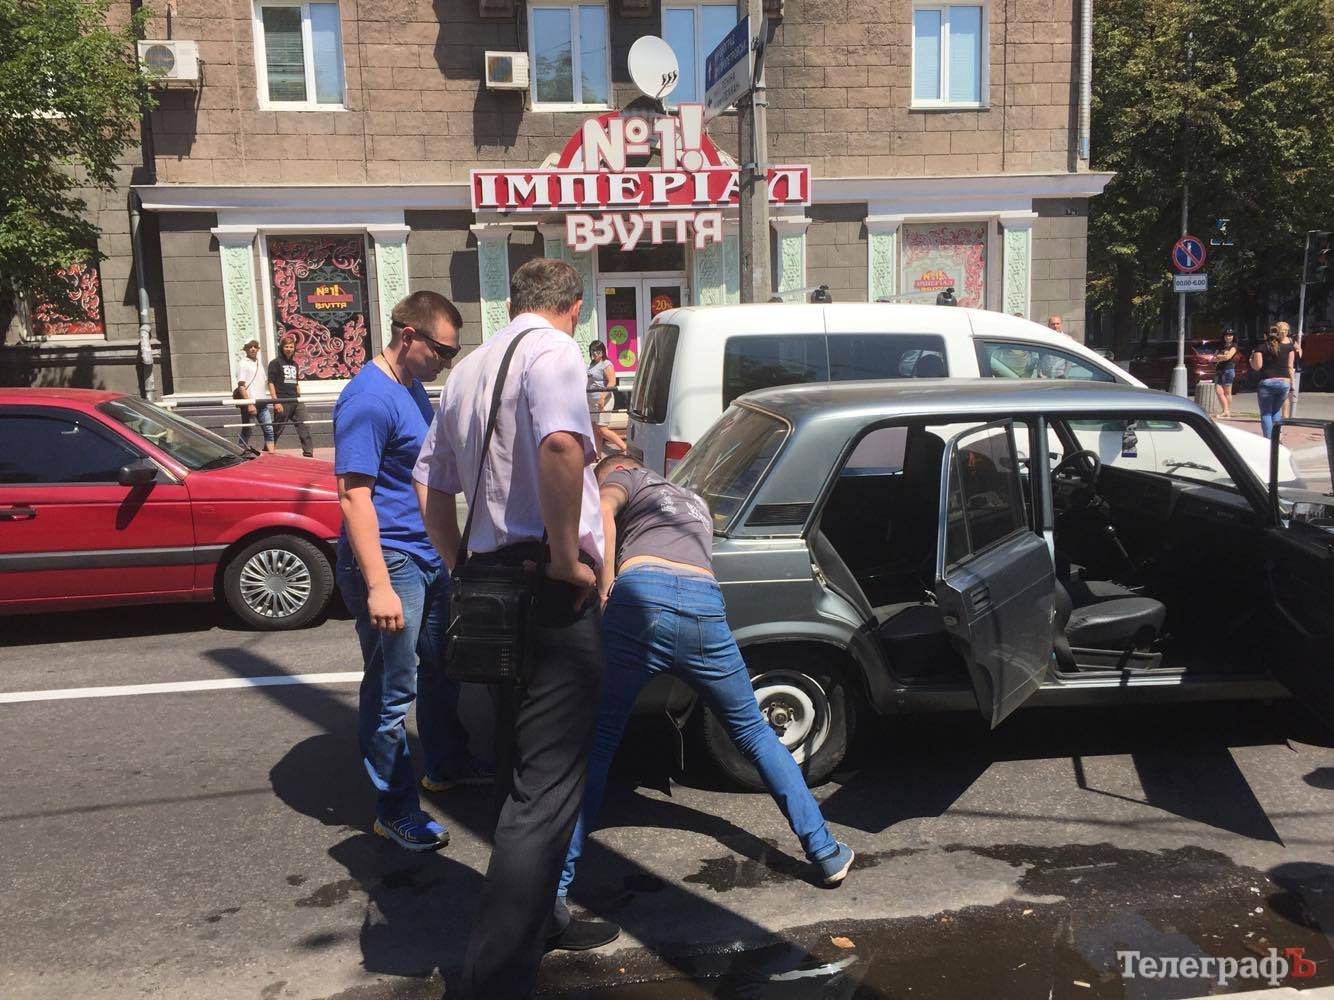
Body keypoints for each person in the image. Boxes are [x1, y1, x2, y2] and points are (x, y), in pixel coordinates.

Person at [414, 258, 612, 999]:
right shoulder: (554, 351)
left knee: (515, 765)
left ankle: (540, 920)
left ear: (510, 303)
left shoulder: (469, 368)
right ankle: (494, 981)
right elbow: (561, 446)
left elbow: (429, 483)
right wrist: (564, 557)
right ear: (573, 307)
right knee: (546, 787)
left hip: (490, 582)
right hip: (547, 586)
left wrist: (457, 563)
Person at [556, 453, 854, 918]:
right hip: (704, 608)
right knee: (755, 734)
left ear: (616, 470)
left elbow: (603, 511)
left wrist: (605, 588)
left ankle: (554, 888)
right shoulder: (694, 502)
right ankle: (826, 852)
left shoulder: (626, 477)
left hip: (640, 600)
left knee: (598, 742)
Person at [333, 291, 489, 853]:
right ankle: (395, 810)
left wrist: (450, 554)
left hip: (425, 554)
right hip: (391, 562)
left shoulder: (411, 386)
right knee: (392, 691)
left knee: (446, 666)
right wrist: (378, 586)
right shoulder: (368, 400)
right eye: (443, 351)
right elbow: (354, 497)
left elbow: (424, 473)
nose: (447, 362)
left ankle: (446, 764)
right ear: (408, 336)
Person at [268, 335, 315, 457]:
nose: (289, 349)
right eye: (286, 347)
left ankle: (308, 452)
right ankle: (267, 450)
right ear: (282, 348)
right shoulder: (275, 363)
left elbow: (296, 381)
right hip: (282, 400)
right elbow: (271, 383)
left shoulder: (294, 364)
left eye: (291, 347)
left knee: (304, 424)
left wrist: (299, 395)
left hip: (296, 400)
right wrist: (276, 401)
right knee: (278, 428)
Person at [1251, 324, 1296, 439]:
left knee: (1266, 413)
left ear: (1265, 336)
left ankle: (1269, 440)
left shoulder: (1261, 348)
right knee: (1276, 411)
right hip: (1284, 383)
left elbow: (1258, 366)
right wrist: (1292, 383)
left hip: (1267, 382)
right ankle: (1276, 439)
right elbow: (1290, 367)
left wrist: (1251, 361)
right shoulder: (1289, 347)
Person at [586, 340, 627, 458]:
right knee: (596, 430)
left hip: (604, 401)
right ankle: (597, 456)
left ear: (603, 352)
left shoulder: (606, 364)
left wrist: (602, 397)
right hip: (592, 402)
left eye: (597, 351)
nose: (595, 353)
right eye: (592, 351)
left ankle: (625, 448)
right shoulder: (591, 365)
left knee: (602, 429)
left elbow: (612, 382)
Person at [234, 340, 274, 452]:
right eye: (250, 347)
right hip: (250, 403)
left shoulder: (258, 363)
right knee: (248, 430)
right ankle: (240, 451)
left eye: (255, 346)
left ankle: (271, 454)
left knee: (269, 430)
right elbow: (241, 386)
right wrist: (249, 404)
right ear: (245, 349)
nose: (253, 349)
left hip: (262, 402)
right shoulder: (243, 364)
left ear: (258, 349)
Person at [1208, 328, 1239, 419]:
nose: (1228, 337)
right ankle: (1225, 411)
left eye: (1230, 335)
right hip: (1219, 370)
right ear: (1224, 336)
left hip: (1228, 370)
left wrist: (1219, 357)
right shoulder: (1221, 346)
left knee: (1227, 392)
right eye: (1227, 335)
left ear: (1233, 336)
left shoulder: (1234, 346)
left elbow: (1228, 357)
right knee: (1219, 391)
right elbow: (1213, 358)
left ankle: (1226, 411)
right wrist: (1221, 356)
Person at [1278, 321, 1302, 419]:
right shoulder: (1275, 341)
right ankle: (1278, 416)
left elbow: (1299, 349)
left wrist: (1297, 355)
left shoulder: (1291, 340)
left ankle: (1285, 416)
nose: (1284, 332)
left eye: (1286, 330)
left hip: (1290, 369)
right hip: (1278, 369)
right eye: (1281, 330)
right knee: (1279, 395)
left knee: (1286, 395)